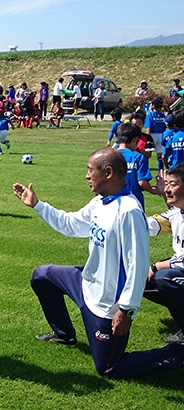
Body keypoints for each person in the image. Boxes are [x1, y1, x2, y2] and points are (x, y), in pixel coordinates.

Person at [13, 148, 184, 378]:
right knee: (42, 275)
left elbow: (137, 265)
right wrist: (38, 205)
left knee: (108, 368)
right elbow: (71, 225)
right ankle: (65, 335)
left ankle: (177, 352)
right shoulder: (100, 202)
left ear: (108, 172)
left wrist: (126, 310)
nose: (86, 176)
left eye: (90, 170)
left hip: (107, 304)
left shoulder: (129, 211)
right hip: (86, 283)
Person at [144, 163, 184, 344]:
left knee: (165, 278)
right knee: (140, 281)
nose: (167, 189)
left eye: (172, 184)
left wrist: (156, 266)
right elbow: (151, 225)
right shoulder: (177, 212)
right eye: (166, 184)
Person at [116, 123, 159, 210]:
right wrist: (151, 190)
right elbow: (142, 182)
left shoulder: (108, 156)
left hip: (113, 201)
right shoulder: (137, 157)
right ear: (135, 139)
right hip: (134, 201)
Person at [146, 97, 167, 171]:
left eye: (151, 104)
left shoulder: (150, 115)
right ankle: (160, 170)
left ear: (153, 105)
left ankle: (145, 169)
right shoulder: (163, 115)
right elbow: (165, 126)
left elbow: (149, 127)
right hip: (161, 135)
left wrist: (147, 138)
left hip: (152, 135)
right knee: (159, 155)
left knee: (147, 153)